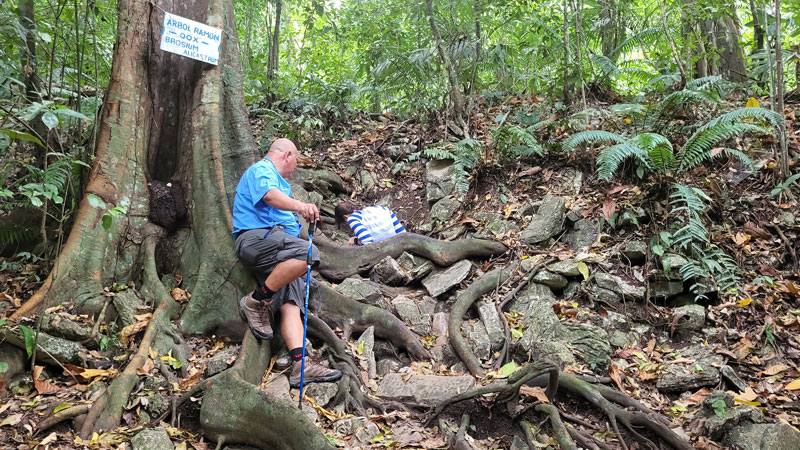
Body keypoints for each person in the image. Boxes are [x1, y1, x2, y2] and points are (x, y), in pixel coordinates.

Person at [232, 138, 341, 388]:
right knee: (309, 255)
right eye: (296, 161)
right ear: (288, 155)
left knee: (292, 305)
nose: (294, 168)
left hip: (280, 255)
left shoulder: (282, 185)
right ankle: (257, 300)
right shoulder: (262, 170)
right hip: (256, 239)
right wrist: (300, 206)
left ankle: (300, 365)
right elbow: (269, 197)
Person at [334, 202, 406, 244]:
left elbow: (367, 240)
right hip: (398, 243)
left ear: (345, 217)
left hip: (384, 248)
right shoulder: (381, 208)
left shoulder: (352, 218)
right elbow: (402, 232)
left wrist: (355, 242)